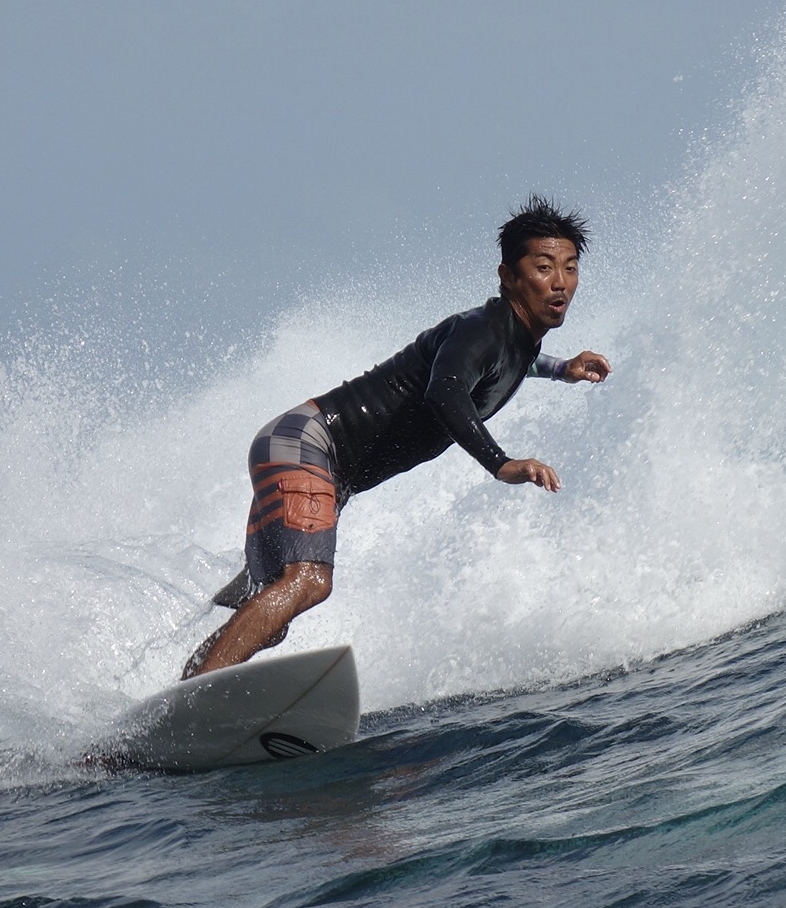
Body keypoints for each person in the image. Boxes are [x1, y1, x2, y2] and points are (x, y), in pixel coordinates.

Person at [183, 197, 610, 678]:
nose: (560, 282)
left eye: (570, 268)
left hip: (308, 454)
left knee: (273, 606)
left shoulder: (512, 339)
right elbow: (446, 391)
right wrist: (499, 462)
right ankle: (198, 693)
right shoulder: (482, 330)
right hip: (309, 444)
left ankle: (183, 686)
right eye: (544, 267)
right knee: (309, 581)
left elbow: (513, 362)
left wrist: (562, 369)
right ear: (508, 276)